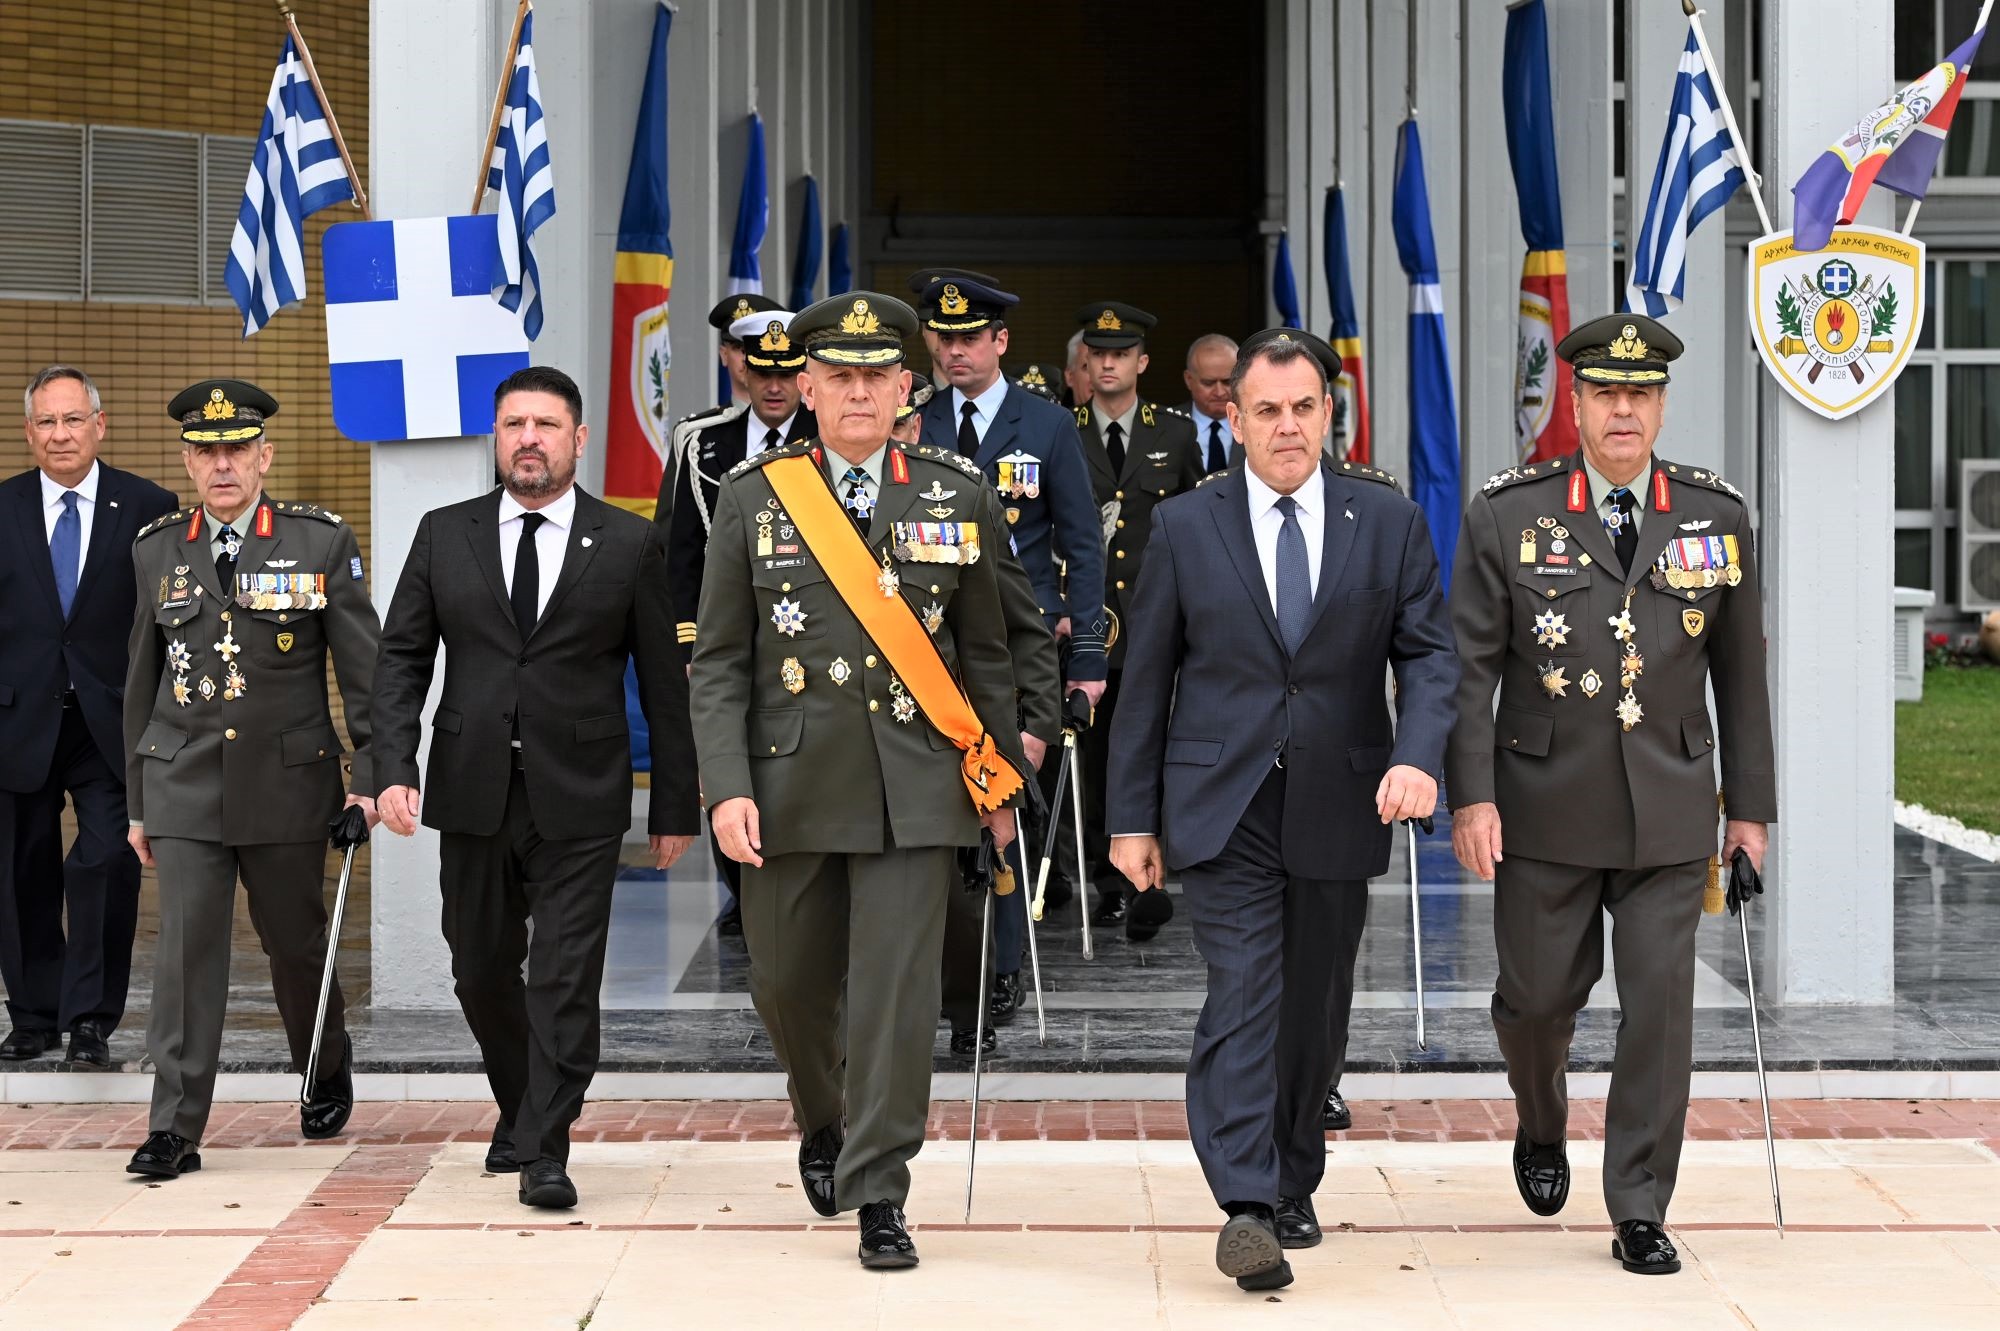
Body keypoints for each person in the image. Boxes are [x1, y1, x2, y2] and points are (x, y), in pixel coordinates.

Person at [1108, 329, 1457, 1291]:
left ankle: (1293, 1172)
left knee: (1315, 1009)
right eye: (1267, 410)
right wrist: (1131, 819)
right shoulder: (1185, 524)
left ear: (1328, 413)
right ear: (1236, 418)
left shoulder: (1385, 519)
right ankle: (1246, 1203)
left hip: (1344, 795)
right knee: (1244, 992)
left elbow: (1430, 657)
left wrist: (1418, 755)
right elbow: (1145, 681)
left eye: (1304, 407)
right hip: (1224, 804)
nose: (1288, 426)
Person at [691, 291, 1027, 1270]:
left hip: (916, 786)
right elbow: (719, 661)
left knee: (894, 995)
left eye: (875, 377)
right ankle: (826, 1115)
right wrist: (725, 785)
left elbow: (988, 652)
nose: (856, 393)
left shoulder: (955, 493)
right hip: (788, 784)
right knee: (786, 984)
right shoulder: (754, 497)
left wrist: (999, 782)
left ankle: (880, 1186)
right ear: (806, 385)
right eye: (838, 376)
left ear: (903, 387)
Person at [1446, 314, 1776, 1276]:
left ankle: (1638, 1203)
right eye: (1604, 393)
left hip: (1671, 803)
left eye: (1640, 393)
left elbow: (1741, 676)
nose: (1622, 410)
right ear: (1577, 404)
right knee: (1537, 1001)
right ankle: (1540, 1115)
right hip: (1543, 803)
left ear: (1661, 405)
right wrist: (1472, 797)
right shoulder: (1509, 514)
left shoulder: (1715, 516)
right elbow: (1469, 672)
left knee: (1661, 1012)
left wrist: (1749, 811)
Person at [373, 366, 698, 1210]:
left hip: (581, 793)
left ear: (577, 439)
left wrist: (673, 802)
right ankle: (523, 1106)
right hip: (471, 787)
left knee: (562, 975)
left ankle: (545, 1147)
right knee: (478, 965)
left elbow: (665, 685)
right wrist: (392, 765)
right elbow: (402, 658)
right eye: (514, 423)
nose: (528, 439)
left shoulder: (627, 542)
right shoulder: (445, 534)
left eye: (546, 425)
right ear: (496, 436)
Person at [122, 380, 378, 1178]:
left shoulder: (318, 542)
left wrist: (370, 776)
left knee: (295, 944)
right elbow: (140, 681)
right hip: (184, 783)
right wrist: (138, 801)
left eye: (237, 449)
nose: (222, 465)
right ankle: (174, 1126)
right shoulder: (156, 548)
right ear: (188, 462)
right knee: (185, 953)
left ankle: (323, 1060)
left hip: (287, 782)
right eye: (207, 452)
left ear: (265, 457)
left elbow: (363, 672)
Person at [915, 275, 1108, 993]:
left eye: (970, 338)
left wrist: (1087, 658)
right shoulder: (915, 420)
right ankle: (946, 964)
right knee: (938, 806)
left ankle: (1001, 966)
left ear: (1000, 341)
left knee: (1006, 800)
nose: (954, 351)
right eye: (943, 338)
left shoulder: (1048, 424)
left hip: (1019, 645)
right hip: (932, 649)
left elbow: (1083, 546)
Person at [0, 367, 176, 1068]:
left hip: (112, 722)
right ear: (28, 432)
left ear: (99, 425)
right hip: (16, 720)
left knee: (106, 859)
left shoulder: (150, 505)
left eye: (73, 419)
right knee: (20, 869)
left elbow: (166, 619)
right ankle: (34, 1016)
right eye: (46, 421)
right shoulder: (4, 506)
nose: (60, 434)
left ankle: (89, 1021)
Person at [897, 369, 1063, 1057]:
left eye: (902, 424)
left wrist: (1037, 724)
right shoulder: (805, 501)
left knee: (967, 887)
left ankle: (971, 1006)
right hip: (855, 743)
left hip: (954, 733)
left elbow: (1021, 620)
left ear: (915, 424)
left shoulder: (958, 497)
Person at [658, 310, 817, 936]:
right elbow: (677, 550)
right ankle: (745, 892)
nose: (773, 387)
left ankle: (790, 891)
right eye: (762, 372)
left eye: (786, 373)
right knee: (724, 759)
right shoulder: (702, 441)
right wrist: (687, 643)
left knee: (793, 761)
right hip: (723, 636)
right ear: (742, 368)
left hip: (803, 633)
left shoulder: (828, 435)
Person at [1071, 301, 1203, 939]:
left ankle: (1161, 868)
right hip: (1091, 622)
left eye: (1120, 354)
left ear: (1142, 363)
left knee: (1164, 740)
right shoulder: (1062, 429)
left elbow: (1202, 522)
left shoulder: (1174, 434)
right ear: (1085, 362)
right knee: (1101, 755)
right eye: (1098, 354)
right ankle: (1112, 882)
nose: (1108, 365)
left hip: (1159, 615)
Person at [709, 292, 784, 406]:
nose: (746, 358)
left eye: (755, 347)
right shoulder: (714, 419)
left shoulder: (804, 417)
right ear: (724, 355)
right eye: (738, 348)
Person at [1179, 333, 1240, 474]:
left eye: (1227, 382)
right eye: (1208, 383)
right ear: (1189, 380)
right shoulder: (1167, 427)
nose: (1219, 392)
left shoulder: (1257, 424)